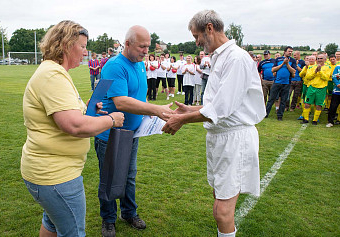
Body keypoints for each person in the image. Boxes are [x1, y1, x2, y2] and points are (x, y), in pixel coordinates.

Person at [162, 10, 265, 237]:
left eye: (196, 36)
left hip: (235, 139)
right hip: (220, 137)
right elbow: (217, 104)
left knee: (221, 211)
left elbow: (221, 109)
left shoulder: (236, 58)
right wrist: (192, 109)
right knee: (218, 198)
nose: (196, 42)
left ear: (209, 28)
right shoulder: (219, 57)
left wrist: (182, 119)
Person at [21, 20, 124, 237]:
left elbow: (68, 115)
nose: (86, 53)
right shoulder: (53, 75)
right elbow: (74, 125)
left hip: (51, 173)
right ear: (67, 45)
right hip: (56, 176)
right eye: (83, 46)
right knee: (73, 232)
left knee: (51, 225)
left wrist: (89, 110)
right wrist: (112, 120)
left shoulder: (55, 72)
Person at [94, 25, 174, 237]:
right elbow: (121, 102)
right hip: (109, 133)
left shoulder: (139, 64)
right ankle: (108, 219)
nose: (146, 51)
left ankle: (129, 213)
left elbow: (138, 96)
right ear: (127, 44)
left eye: (148, 46)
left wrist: (147, 109)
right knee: (110, 177)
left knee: (129, 175)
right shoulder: (114, 66)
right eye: (142, 46)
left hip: (131, 134)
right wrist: (155, 109)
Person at [265, 46, 296, 121]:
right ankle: (266, 114)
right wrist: (282, 64)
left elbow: (293, 71)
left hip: (286, 83)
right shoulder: (278, 59)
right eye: (289, 51)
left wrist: (287, 64)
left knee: (283, 100)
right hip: (277, 82)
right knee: (271, 99)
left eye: (291, 51)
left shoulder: (293, 60)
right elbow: (273, 70)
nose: (290, 53)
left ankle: (280, 115)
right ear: (285, 52)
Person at [300, 54, 332, 125]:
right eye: (318, 58)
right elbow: (308, 77)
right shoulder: (311, 67)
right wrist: (315, 72)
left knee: (318, 105)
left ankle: (315, 120)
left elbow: (326, 78)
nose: (319, 60)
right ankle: (305, 119)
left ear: (325, 59)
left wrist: (320, 71)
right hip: (311, 88)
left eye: (321, 58)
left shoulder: (328, 67)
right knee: (307, 104)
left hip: (321, 89)